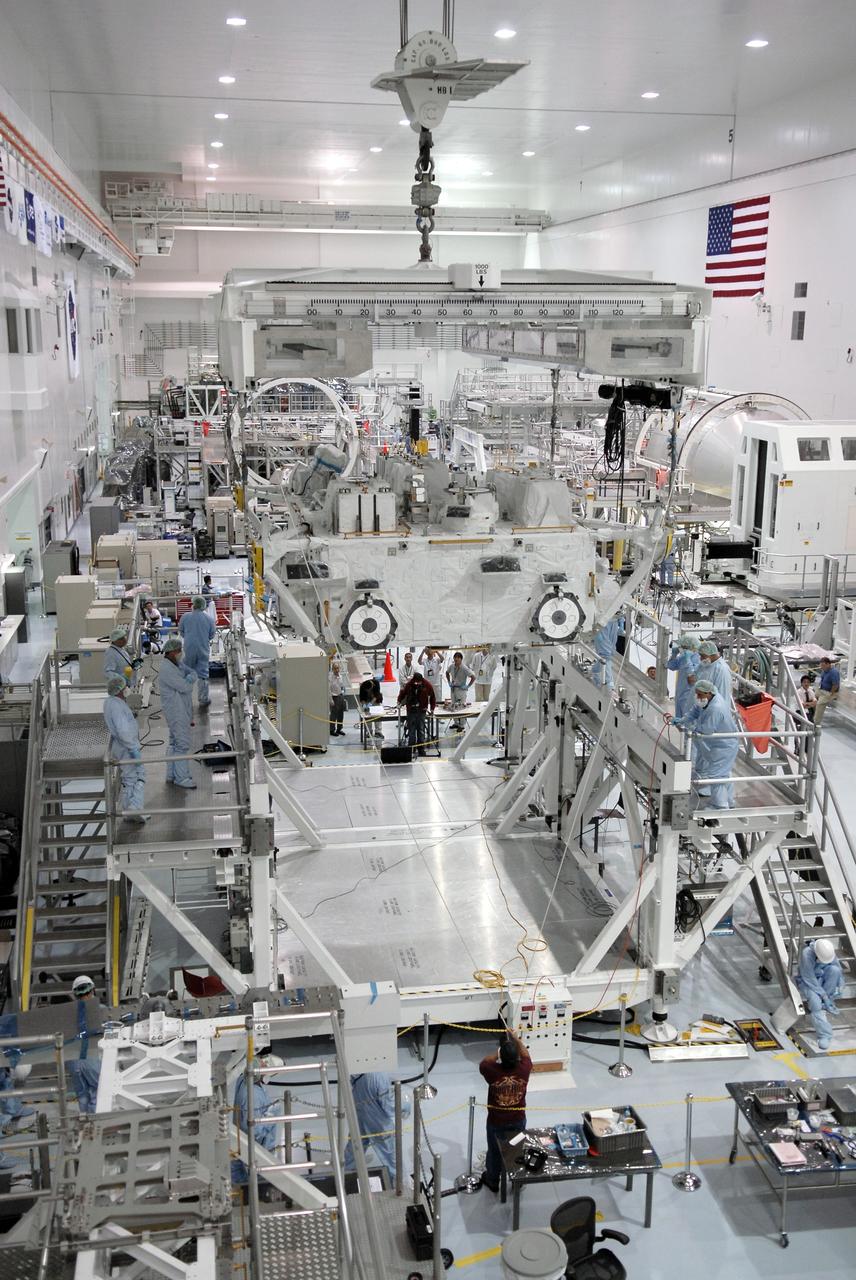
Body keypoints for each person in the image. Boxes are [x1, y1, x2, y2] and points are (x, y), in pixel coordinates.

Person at [479, 1030, 532, 1193]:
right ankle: (517, 1181)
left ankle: (493, 1180)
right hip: (517, 1119)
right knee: (516, 1149)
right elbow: (526, 1054)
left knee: (494, 1151)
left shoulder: (492, 1070)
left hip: (496, 1121)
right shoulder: (524, 1069)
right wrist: (515, 1040)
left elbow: (485, 1061)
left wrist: (501, 1050)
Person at [675, 678, 739, 809]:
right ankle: (730, 801)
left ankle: (720, 805)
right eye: (696, 693)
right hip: (717, 745)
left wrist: (692, 728)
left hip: (724, 746)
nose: (697, 697)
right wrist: (682, 720)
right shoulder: (707, 701)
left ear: (709, 693)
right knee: (724, 773)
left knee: (717, 775)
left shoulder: (716, 708)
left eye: (700, 694)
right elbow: (695, 711)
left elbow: (706, 730)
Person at [232, 1050, 285, 1183]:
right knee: (258, 1180)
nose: (263, 1063)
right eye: (262, 1063)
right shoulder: (253, 1094)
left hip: (243, 1147)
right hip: (258, 1151)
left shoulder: (244, 1080)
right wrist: (270, 1117)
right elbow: (253, 1131)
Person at [344, 1072, 410, 1179]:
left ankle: (345, 1176)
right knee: (391, 1155)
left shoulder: (359, 1073)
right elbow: (389, 1106)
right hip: (377, 1120)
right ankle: (401, 1185)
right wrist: (406, 1105)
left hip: (359, 1108)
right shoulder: (379, 1076)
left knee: (355, 1145)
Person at [103, 675, 146, 822]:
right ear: (120, 690)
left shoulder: (111, 702)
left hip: (121, 746)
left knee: (128, 778)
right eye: (125, 687)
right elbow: (123, 730)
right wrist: (133, 748)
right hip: (126, 747)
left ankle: (129, 812)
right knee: (138, 776)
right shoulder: (116, 705)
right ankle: (135, 808)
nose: (127, 689)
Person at [160, 636, 197, 788]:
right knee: (181, 744)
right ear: (170, 652)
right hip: (176, 711)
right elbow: (185, 687)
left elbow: (189, 670)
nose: (180, 653)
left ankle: (171, 774)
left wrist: (191, 675)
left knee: (175, 742)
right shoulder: (166, 669)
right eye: (178, 651)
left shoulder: (174, 663)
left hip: (179, 709)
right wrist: (190, 680)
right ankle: (181, 778)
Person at [796, 939, 843, 1052]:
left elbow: (837, 967)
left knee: (835, 971)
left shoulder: (828, 951)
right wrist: (824, 996)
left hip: (821, 976)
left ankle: (826, 1004)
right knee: (815, 1002)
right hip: (808, 982)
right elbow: (809, 978)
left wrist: (840, 985)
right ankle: (824, 1035)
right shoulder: (807, 954)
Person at [67, 975, 103, 1113]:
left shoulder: (67, 1013)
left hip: (73, 1061)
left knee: (82, 1095)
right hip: (91, 1059)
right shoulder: (101, 1009)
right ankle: (95, 1123)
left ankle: (84, 1121)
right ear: (93, 989)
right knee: (97, 1091)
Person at [179, 596, 217, 709]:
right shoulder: (209, 619)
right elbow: (212, 635)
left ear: (193, 605)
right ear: (203, 606)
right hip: (203, 649)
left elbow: (181, 631)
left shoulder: (185, 617)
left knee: (186, 673)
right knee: (203, 675)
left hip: (188, 648)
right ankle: (203, 699)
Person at [397, 671, 436, 756]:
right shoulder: (409, 684)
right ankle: (412, 747)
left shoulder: (427, 684)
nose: (417, 683)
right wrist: (399, 702)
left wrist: (432, 709)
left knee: (421, 729)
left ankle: (421, 747)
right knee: (411, 729)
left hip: (422, 711)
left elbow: (432, 697)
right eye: (416, 682)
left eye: (419, 682)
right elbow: (403, 693)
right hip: (411, 711)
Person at [668, 634, 701, 720]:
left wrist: (688, 660)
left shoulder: (698, 659)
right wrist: (674, 654)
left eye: (682, 646)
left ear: (690, 647)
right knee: (680, 721)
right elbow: (671, 666)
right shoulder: (683, 657)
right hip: (680, 693)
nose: (680, 648)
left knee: (688, 721)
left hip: (689, 695)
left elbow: (692, 679)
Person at [446, 651, 475, 730]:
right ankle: (456, 723)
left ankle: (462, 725)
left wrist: (467, 686)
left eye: (458, 659)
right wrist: (449, 681)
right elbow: (447, 672)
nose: (456, 660)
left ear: (461, 659)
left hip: (461, 689)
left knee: (462, 706)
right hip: (453, 688)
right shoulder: (452, 666)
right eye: (455, 659)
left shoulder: (464, 668)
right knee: (453, 705)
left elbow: (473, 677)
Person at [697, 640, 732, 704]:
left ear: (711, 654)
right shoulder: (707, 665)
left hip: (714, 708)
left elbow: (721, 695)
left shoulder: (721, 670)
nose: (701, 659)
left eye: (703, 656)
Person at [591, 618, 621, 688]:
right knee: (606, 654)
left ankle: (595, 670)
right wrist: (596, 632)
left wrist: (621, 621)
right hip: (601, 623)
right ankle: (609, 682)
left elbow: (620, 608)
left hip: (614, 622)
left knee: (610, 652)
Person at [814, 657, 840, 725]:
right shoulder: (824, 670)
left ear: (828, 664)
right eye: (821, 665)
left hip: (830, 692)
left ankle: (816, 722)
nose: (821, 667)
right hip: (822, 689)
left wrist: (830, 694)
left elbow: (835, 685)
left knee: (820, 703)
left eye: (823, 665)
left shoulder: (834, 672)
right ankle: (810, 712)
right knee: (812, 695)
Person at [358, 675, 384, 742]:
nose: (368, 691)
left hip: (375, 700)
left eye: (369, 690)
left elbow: (377, 695)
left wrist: (371, 704)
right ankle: (368, 732)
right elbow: (362, 698)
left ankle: (378, 731)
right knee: (367, 715)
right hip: (366, 700)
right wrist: (364, 705)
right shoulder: (362, 686)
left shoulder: (376, 683)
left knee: (377, 714)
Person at [329, 660, 346, 737]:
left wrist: (343, 694)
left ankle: (339, 729)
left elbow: (342, 686)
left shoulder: (340, 676)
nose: (337, 670)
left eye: (338, 668)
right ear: (332, 669)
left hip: (340, 696)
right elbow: (328, 690)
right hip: (334, 697)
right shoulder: (330, 678)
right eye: (335, 668)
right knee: (333, 715)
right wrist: (331, 700)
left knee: (340, 714)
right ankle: (332, 730)